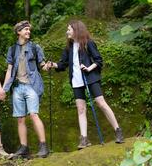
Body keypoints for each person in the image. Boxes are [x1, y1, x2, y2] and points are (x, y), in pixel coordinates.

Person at [46, 20, 124, 149]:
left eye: (69, 29)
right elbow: (62, 64)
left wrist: (88, 68)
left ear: (76, 30)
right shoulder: (69, 47)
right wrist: (52, 65)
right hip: (76, 81)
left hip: (90, 78)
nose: (67, 32)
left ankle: (118, 130)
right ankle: (84, 139)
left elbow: (98, 60)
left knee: (101, 103)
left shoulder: (88, 43)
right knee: (81, 109)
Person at [3, 20, 49, 158]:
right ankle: (24, 148)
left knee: (34, 115)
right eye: (25, 30)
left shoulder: (35, 47)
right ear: (19, 32)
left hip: (31, 86)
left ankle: (43, 146)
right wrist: (4, 89)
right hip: (17, 87)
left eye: (29, 30)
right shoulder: (12, 49)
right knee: (20, 119)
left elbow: (42, 64)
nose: (28, 32)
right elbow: (9, 70)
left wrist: (47, 66)